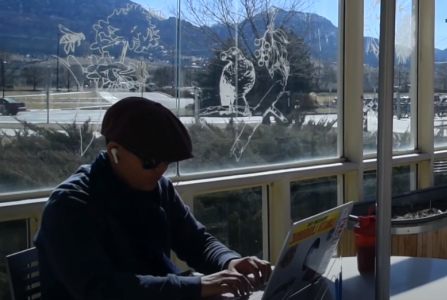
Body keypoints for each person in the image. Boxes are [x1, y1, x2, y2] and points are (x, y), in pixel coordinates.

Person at [33, 97, 272, 300]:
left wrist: (229, 262)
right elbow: (102, 290)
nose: (160, 170)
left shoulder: (158, 188)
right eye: (150, 162)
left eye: (167, 162)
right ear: (114, 151)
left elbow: (196, 242)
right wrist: (199, 286)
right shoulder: (71, 205)